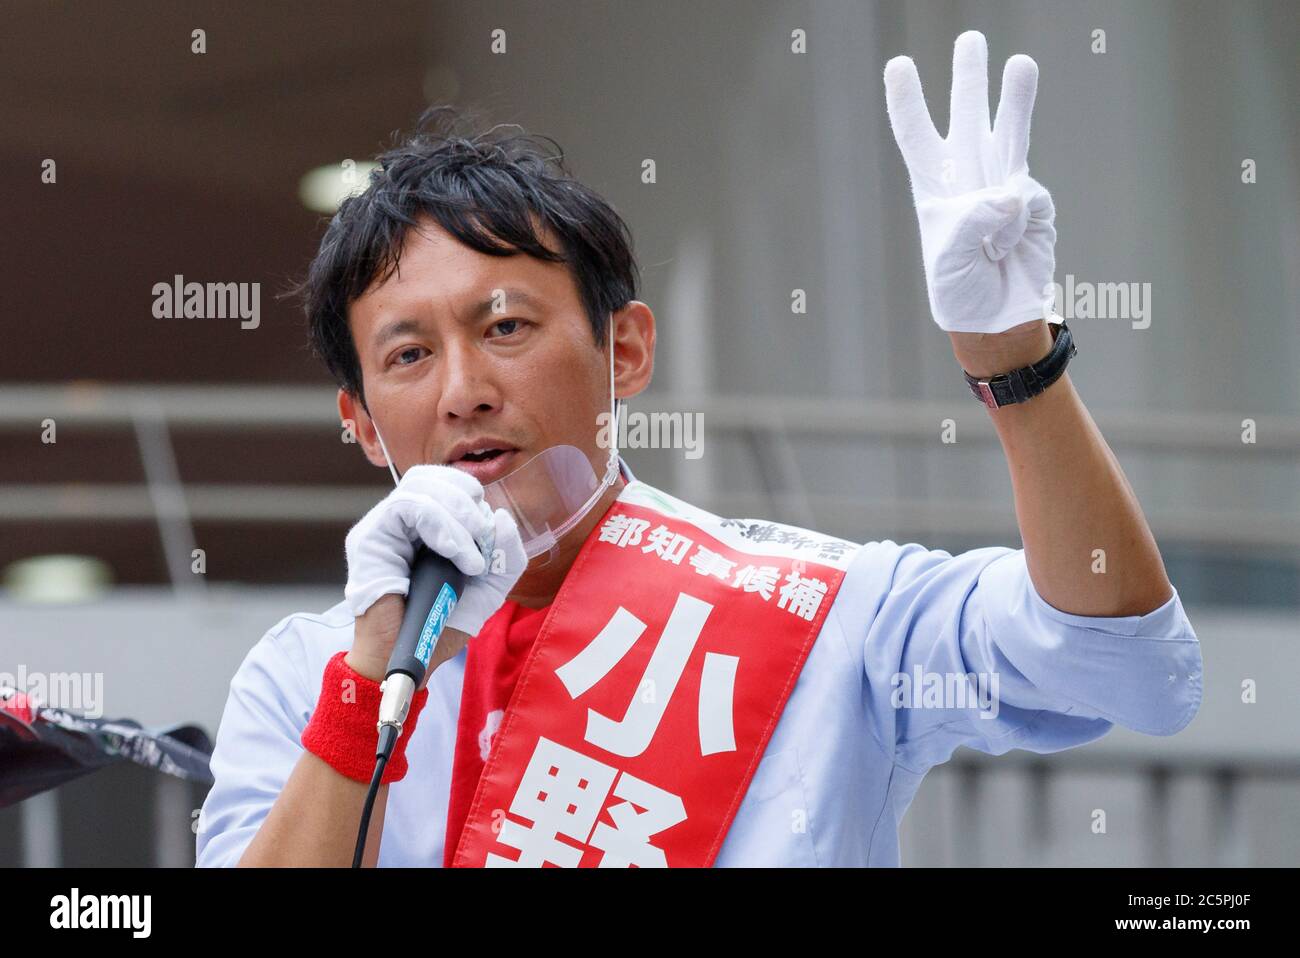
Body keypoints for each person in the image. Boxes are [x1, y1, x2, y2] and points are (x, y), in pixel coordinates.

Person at [195, 31, 1202, 868]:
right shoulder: (308, 675)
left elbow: (1127, 669)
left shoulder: (818, 609)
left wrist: (1014, 360)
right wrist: (371, 679)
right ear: (362, 421)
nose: (464, 391)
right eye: (408, 354)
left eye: (505, 327)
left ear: (624, 350)